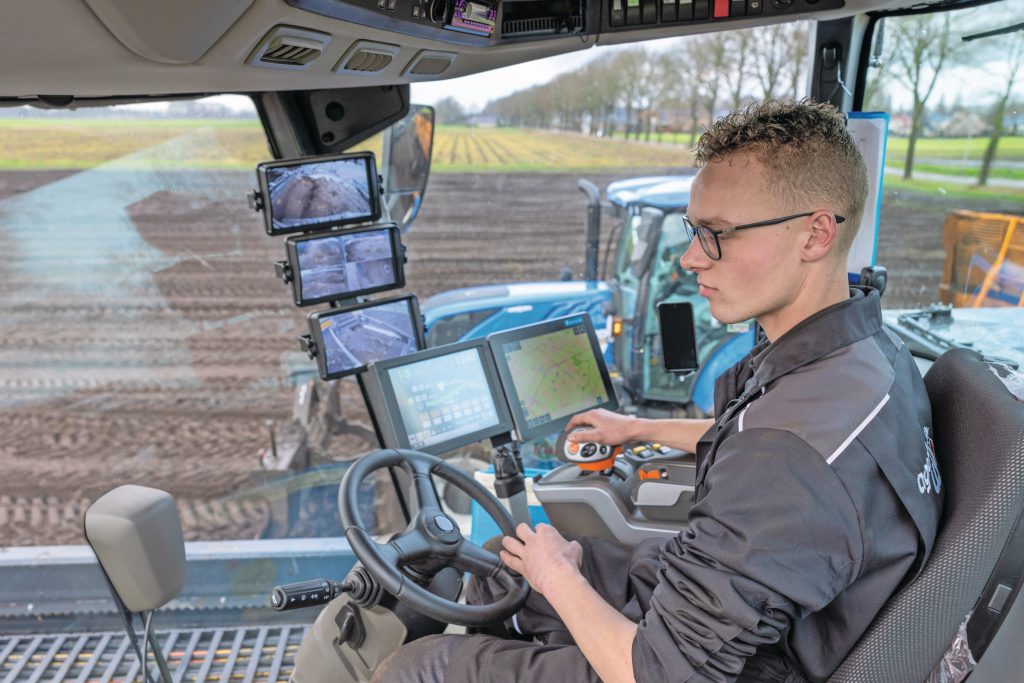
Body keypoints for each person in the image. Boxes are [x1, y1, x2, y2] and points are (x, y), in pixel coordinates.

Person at [371, 99, 943, 683]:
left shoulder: (786, 464)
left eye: (718, 234)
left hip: (717, 666)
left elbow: (657, 673)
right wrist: (636, 428)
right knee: (502, 568)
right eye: (695, 231)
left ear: (815, 233)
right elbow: (764, 441)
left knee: (421, 668)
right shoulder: (863, 358)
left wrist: (559, 578)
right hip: (746, 614)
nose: (694, 258)